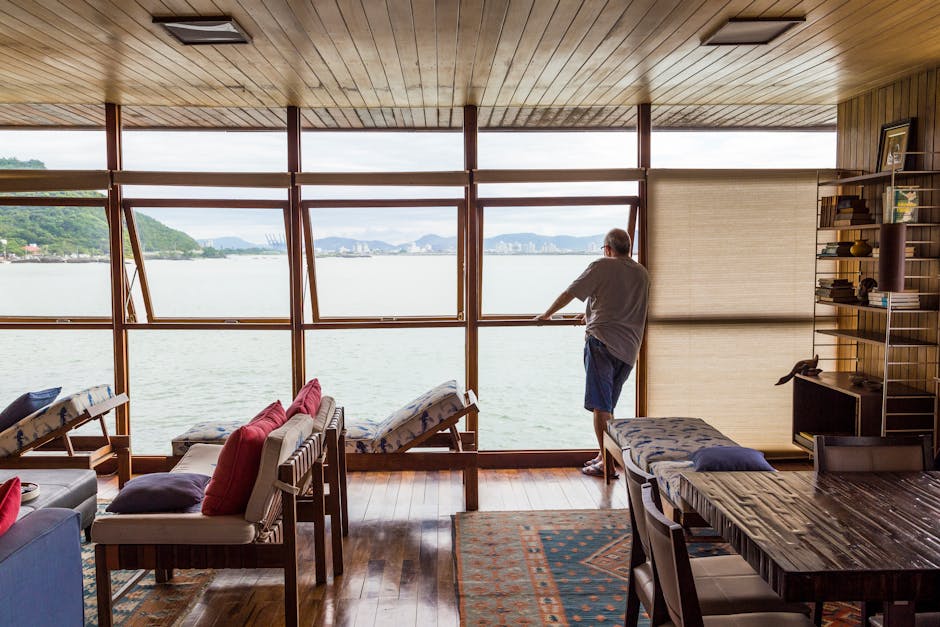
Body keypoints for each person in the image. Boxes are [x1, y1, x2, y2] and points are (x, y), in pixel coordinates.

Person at [536, 228, 649, 478]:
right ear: (628, 248)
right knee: (608, 406)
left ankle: (607, 465)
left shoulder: (601, 266)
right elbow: (619, 304)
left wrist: (547, 314)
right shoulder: (642, 273)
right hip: (629, 350)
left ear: (608, 249)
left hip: (601, 344)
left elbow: (570, 293)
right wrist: (590, 314)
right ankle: (604, 455)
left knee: (600, 407)